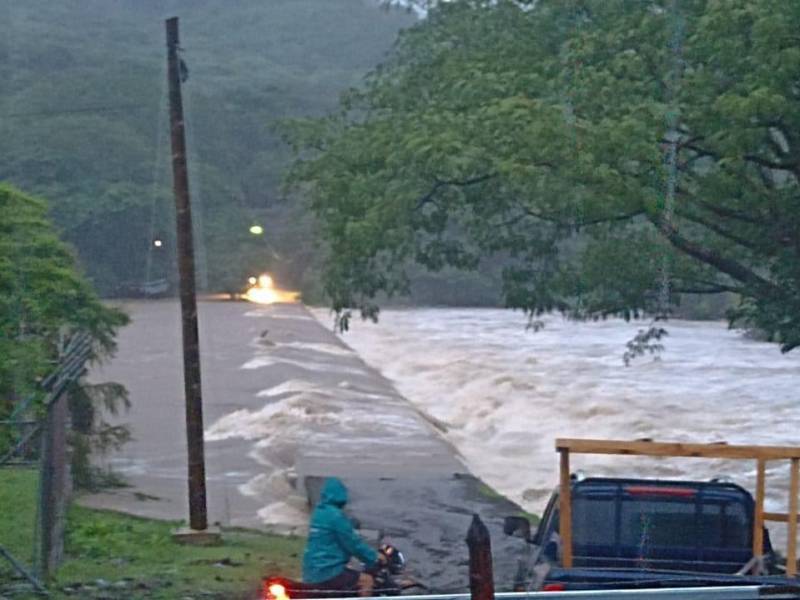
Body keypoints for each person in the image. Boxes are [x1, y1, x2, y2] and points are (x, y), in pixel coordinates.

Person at [302, 477, 384, 596]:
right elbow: (353, 543)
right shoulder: (336, 516)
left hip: (310, 572)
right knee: (367, 581)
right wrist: (373, 557)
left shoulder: (318, 513)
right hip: (328, 571)